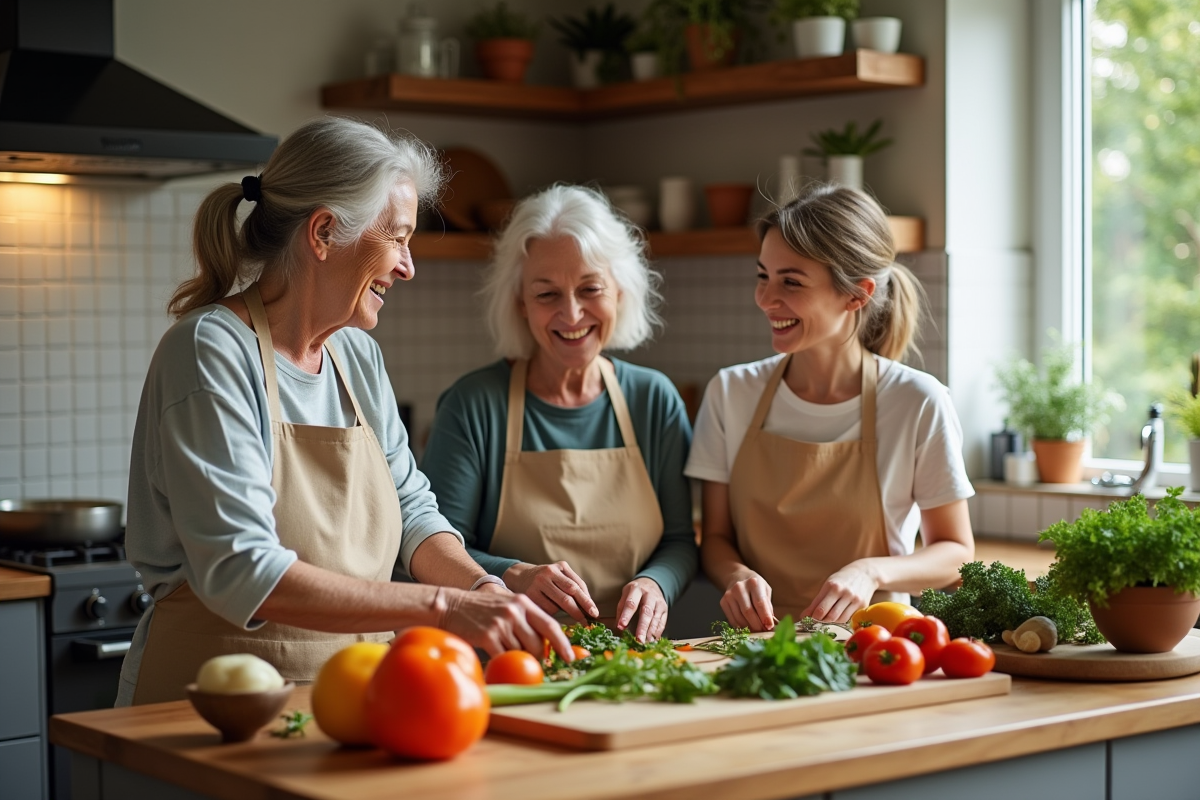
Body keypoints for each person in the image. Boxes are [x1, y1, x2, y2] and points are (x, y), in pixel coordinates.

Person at [118, 117, 571, 706]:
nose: (408, 265)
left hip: (353, 702)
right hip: (211, 709)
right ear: (325, 232)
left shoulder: (356, 355)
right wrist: (449, 607)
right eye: (398, 237)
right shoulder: (210, 349)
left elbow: (413, 513)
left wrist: (488, 592)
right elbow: (242, 569)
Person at [686, 184, 975, 631]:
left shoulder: (917, 401)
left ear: (856, 295)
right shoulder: (731, 391)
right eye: (763, 276)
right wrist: (736, 575)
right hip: (753, 647)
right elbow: (716, 538)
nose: (766, 299)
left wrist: (871, 571)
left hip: (877, 647)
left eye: (791, 282)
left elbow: (956, 553)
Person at [421, 185, 697, 642]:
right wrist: (515, 575)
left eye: (591, 288)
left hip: (633, 660)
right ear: (520, 304)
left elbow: (680, 541)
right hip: (510, 659)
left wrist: (656, 583)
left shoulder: (654, 399)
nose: (572, 314)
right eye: (547, 294)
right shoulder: (473, 406)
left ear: (620, 292)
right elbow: (435, 551)